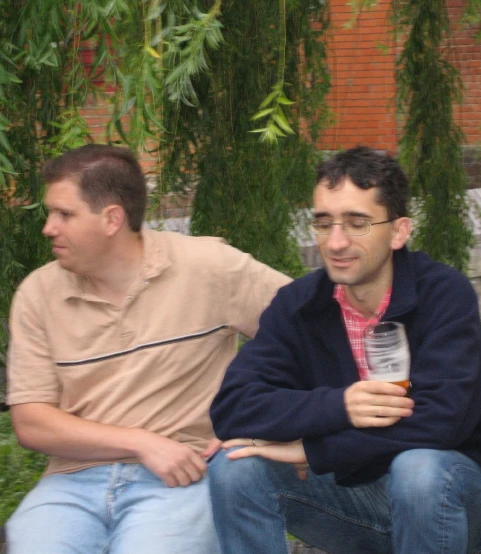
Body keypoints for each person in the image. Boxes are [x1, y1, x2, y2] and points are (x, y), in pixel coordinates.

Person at [208, 146, 481, 554]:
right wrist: (339, 406)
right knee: (234, 469)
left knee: (417, 469)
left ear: (399, 230)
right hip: (352, 495)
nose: (336, 242)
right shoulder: (299, 305)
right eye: (323, 223)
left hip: (452, 494)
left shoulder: (444, 294)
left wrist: (313, 449)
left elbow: (441, 423)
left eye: (356, 223)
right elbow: (233, 407)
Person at [5, 145, 290, 553]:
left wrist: (269, 425)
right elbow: (32, 422)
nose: (49, 227)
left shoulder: (210, 268)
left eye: (64, 214)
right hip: (71, 483)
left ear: (112, 219)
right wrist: (142, 442)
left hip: (182, 479)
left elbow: (314, 330)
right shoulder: (38, 293)